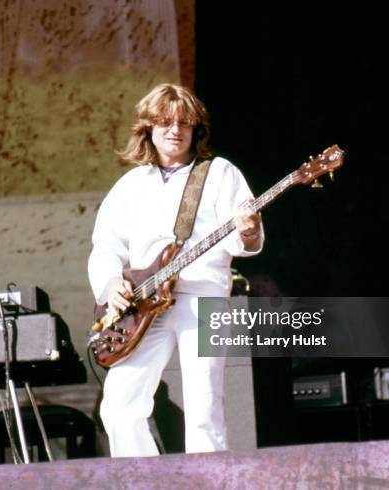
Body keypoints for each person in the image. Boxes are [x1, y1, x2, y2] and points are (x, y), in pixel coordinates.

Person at [88, 83, 263, 457]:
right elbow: (105, 247)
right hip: (144, 304)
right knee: (119, 405)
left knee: (204, 407)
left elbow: (243, 242)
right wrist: (110, 284)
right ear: (148, 129)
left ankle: (210, 483)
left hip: (203, 297)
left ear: (196, 129)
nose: (175, 130)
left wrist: (248, 232)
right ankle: (143, 481)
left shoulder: (219, 173)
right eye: (165, 122)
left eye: (184, 122)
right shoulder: (130, 186)